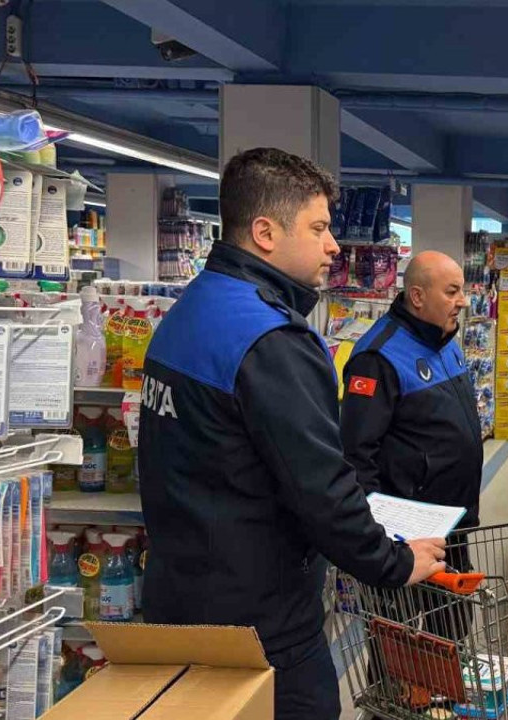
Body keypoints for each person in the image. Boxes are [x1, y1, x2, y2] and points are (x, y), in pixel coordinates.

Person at [137, 147, 446, 720]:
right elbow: (321, 488)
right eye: (319, 228)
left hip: (178, 603)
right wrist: (395, 562)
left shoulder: (188, 313)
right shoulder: (272, 340)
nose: (334, 246)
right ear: (265, 233)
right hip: (263, 630)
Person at [341, 251, 483, 568]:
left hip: (452, 521)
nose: (463, 302)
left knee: (456, 600)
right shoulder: (378, 357)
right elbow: (356, 454)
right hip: (412, 536)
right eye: (452, 292)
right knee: (422, 602)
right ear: (417, 296)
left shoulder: (445, 343)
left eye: (462, 290)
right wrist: (383, 541)